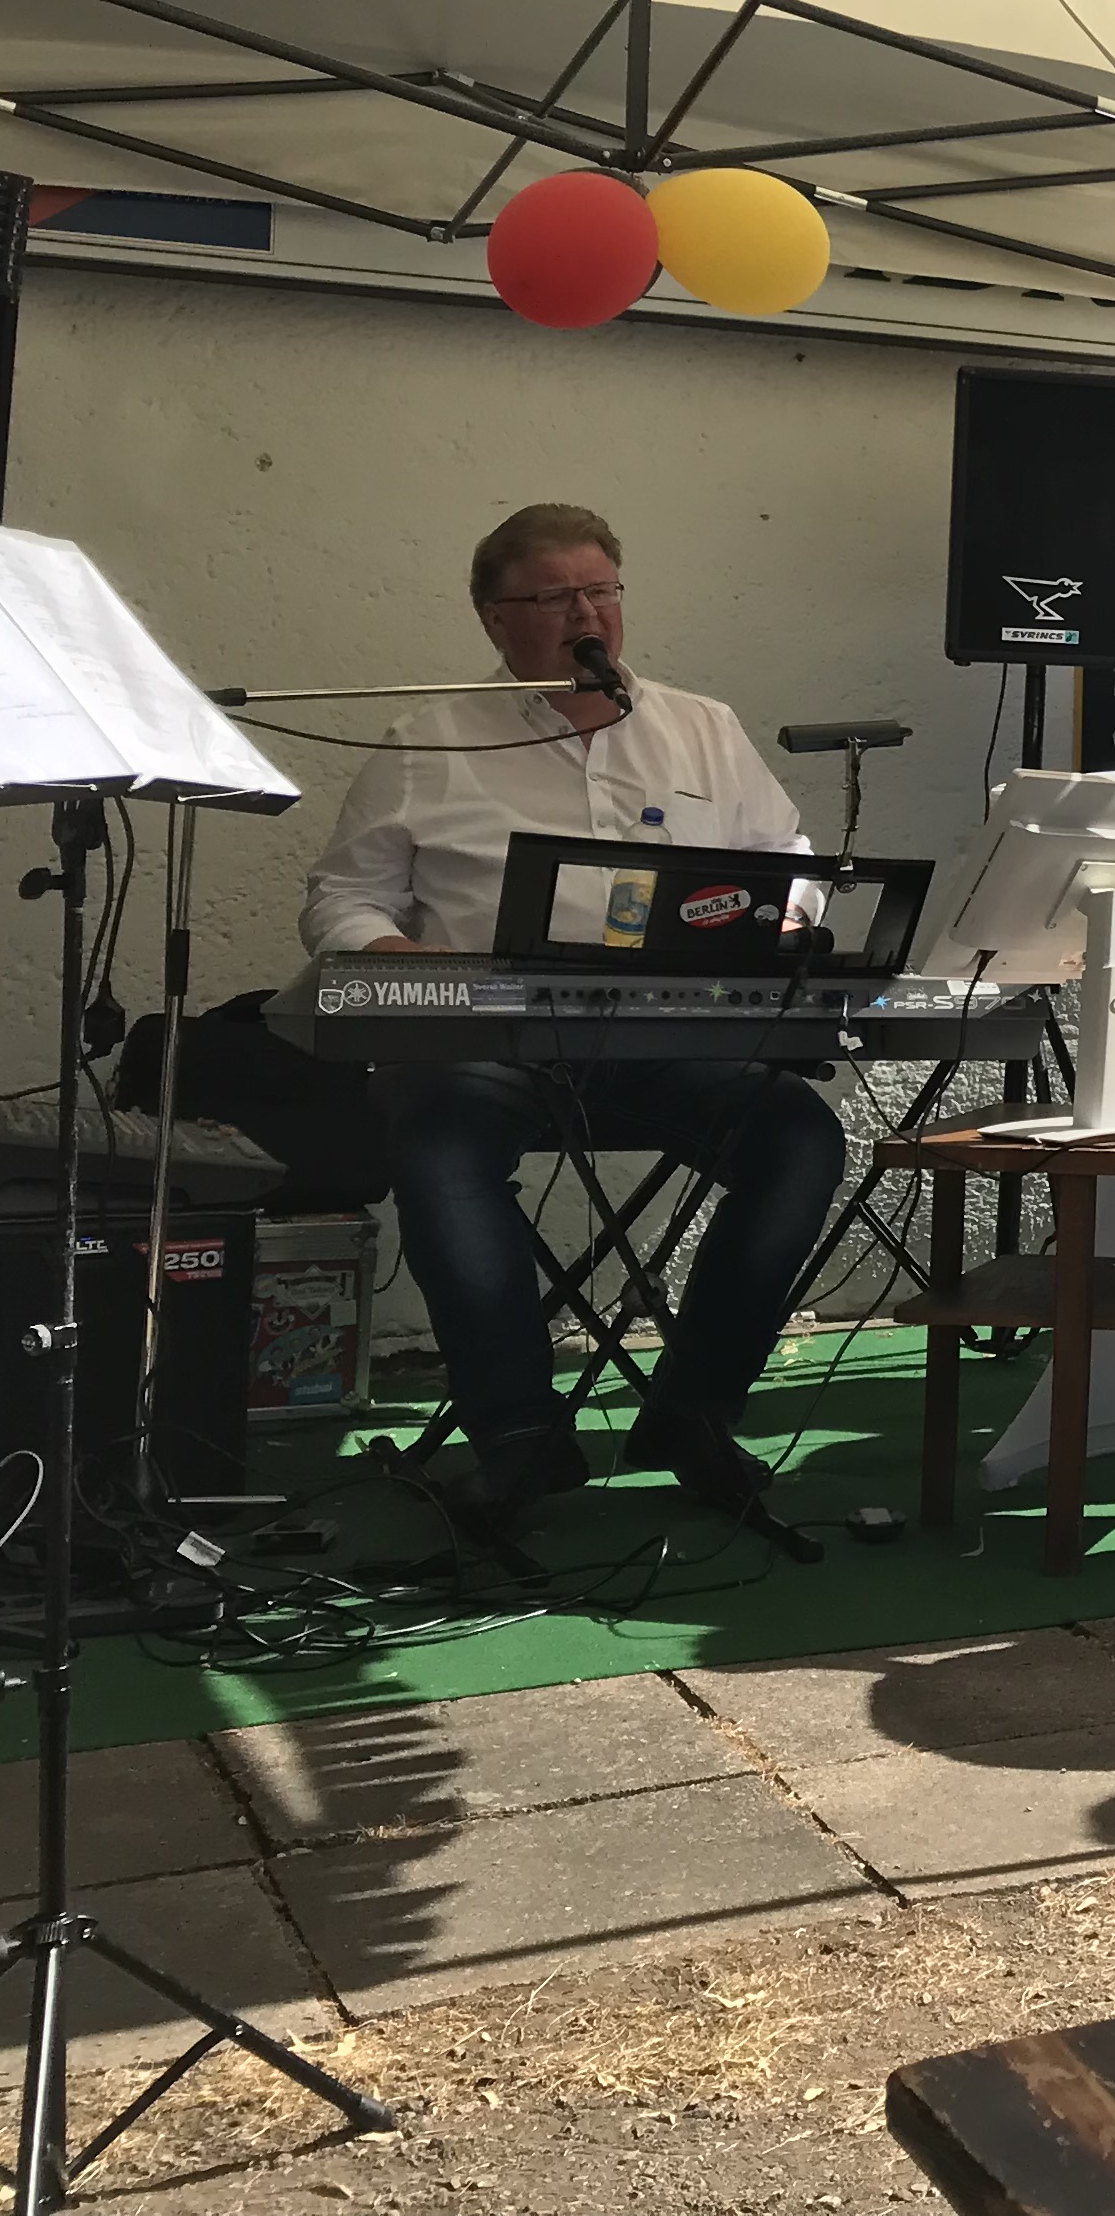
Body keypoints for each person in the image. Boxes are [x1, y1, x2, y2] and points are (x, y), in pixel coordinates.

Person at [299, 504, 843, 1532]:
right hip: (488, 1049)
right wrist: (398, 957)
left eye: (601, 591)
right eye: (554, 597)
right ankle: (517, 1435)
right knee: (438, 1143)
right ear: (495, 619)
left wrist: (788, 917)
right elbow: (342, 898)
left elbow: (788, 860)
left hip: (668, 1044)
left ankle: (692, 1413)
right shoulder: (425, 743)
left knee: (797, 1136)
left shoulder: (701, 727)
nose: (586, 615)